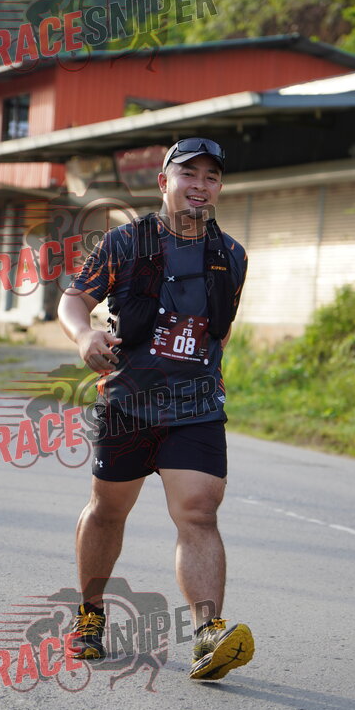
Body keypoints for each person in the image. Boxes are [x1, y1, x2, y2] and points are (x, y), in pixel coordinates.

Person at [57, 137, 254, 680]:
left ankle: (208, 635)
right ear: (164, 182)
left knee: (199, 512)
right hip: (129, 400)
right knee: (108, 510)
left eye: (212, 176)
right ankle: (90, 615)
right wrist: (83, 336)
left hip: (196, 404)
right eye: (189, 173)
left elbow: (221, 328)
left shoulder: (232, 255)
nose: (200, 185)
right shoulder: (124, 243)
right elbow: (74, 299)